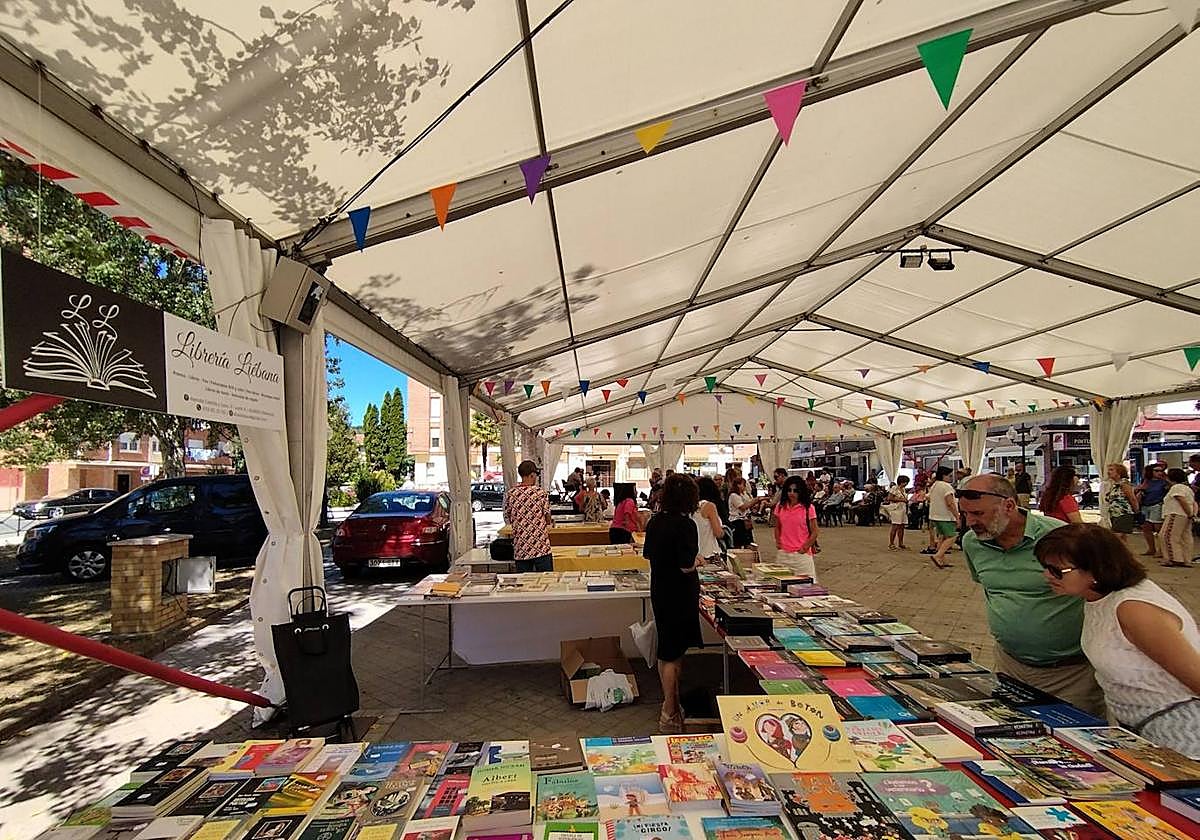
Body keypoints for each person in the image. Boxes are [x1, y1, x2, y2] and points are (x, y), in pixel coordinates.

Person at [1034, 524, 1200, 757]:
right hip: (1140, 727)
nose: (1047, 576)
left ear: (1095, 570)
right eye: (1045, 568)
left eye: (1057, 570)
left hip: (1179, 730)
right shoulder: (1096, 598)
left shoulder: (1134, 609)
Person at [958, 474, 1104, 716]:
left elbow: (1102, 594)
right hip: (1010, 666)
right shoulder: (972, 543)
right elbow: (992, 588)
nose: (970, 522)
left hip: (1071, 675)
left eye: (979, 514)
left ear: (1009, 506)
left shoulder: (1060, 539)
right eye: (965, 514)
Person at [643, 473, 702, 734]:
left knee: (667, 648)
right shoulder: (685, 525)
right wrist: (698, 562)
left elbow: (648, 554)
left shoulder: (656, 522)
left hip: (661, 590)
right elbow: (686, 565)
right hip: (680, 594)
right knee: (672, 653)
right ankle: (669, 711)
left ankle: (671, 702)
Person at [503, 460, 553, 572]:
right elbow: (548, 519)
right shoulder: (540, 493)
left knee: (523, 585)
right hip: (541, 547)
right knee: (547, 581)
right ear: (532, 474)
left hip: (521, 548)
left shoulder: (510, 494)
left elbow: (509, 518)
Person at [774, 476, 820, 580]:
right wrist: (778, 542)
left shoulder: (808, 508)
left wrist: (805, 547)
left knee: (807, 588)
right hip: (783, 555)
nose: (792, 493)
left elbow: (815, 531)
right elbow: (777, 526)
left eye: (795, 490)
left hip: (802, 557)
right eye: (789, 490)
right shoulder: (780, 507)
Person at [1160, 467, 1197, 567]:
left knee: (1167, 535)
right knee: (1185, 537)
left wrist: (1189, 513)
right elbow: (1194, 503)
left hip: (1175, 513)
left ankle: (1174, 558)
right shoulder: (1188, 488)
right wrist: (1192, 514)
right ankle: (1186, 559)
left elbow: (1181, 500)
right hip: (1185, 515)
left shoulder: (1177, 488)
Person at [922, 466, 958, 568]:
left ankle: (942, 559)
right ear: (944, 476)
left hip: (934, 515)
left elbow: (928, 497)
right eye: (950, 476)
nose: (951, 478)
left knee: (942, 537)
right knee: (952, 536)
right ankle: (938, 556)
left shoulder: (934, 485)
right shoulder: (946, 486)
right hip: (945, 516)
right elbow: (950, 503)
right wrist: (957, 515)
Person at [1136, 463, 1169, 558]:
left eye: (1161, 471)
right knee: (1146, 527)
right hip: (1145, 505)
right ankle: (1151, 548)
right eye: (1156, 471)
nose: (1159, 473)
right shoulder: (1146, 481)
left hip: (1157, 505)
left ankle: (1161, 549)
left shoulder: (1163, 482)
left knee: (1158, 528)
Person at [1104, 463, 1139, 544]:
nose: (1109, 472)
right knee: (1122, 538)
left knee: (1117, 536)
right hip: (1115, 514)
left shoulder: (1124, 484)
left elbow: (1132, 498)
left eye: (1112, 470)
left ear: (1119, 472)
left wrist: (1137, 512)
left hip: (1123, 513)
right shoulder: (1114, 485)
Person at [693, 476, 725, 564]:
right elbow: (718, 533)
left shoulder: (689, 507)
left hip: (694, 555)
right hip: (709, 553)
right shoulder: (709, 506)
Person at [726, 476, 756, 548]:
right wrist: (754, 501)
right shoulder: (733, 495)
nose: (745, 487)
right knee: (739, 543)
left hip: (745, 519)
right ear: (738, 485)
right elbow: (742, 507)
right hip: (737, 521)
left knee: (748, 542)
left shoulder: (743, 494)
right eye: (743, 485)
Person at [885, 475, 910, 550]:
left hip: (902, 509)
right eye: (905, 482)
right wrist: (902, 500)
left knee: (902, 527)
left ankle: (900, 543)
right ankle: (891, 543)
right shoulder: (894, 488)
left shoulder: (903, 489)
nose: (906, 484)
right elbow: (889, 498)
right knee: (895, 526)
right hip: (896, 509)